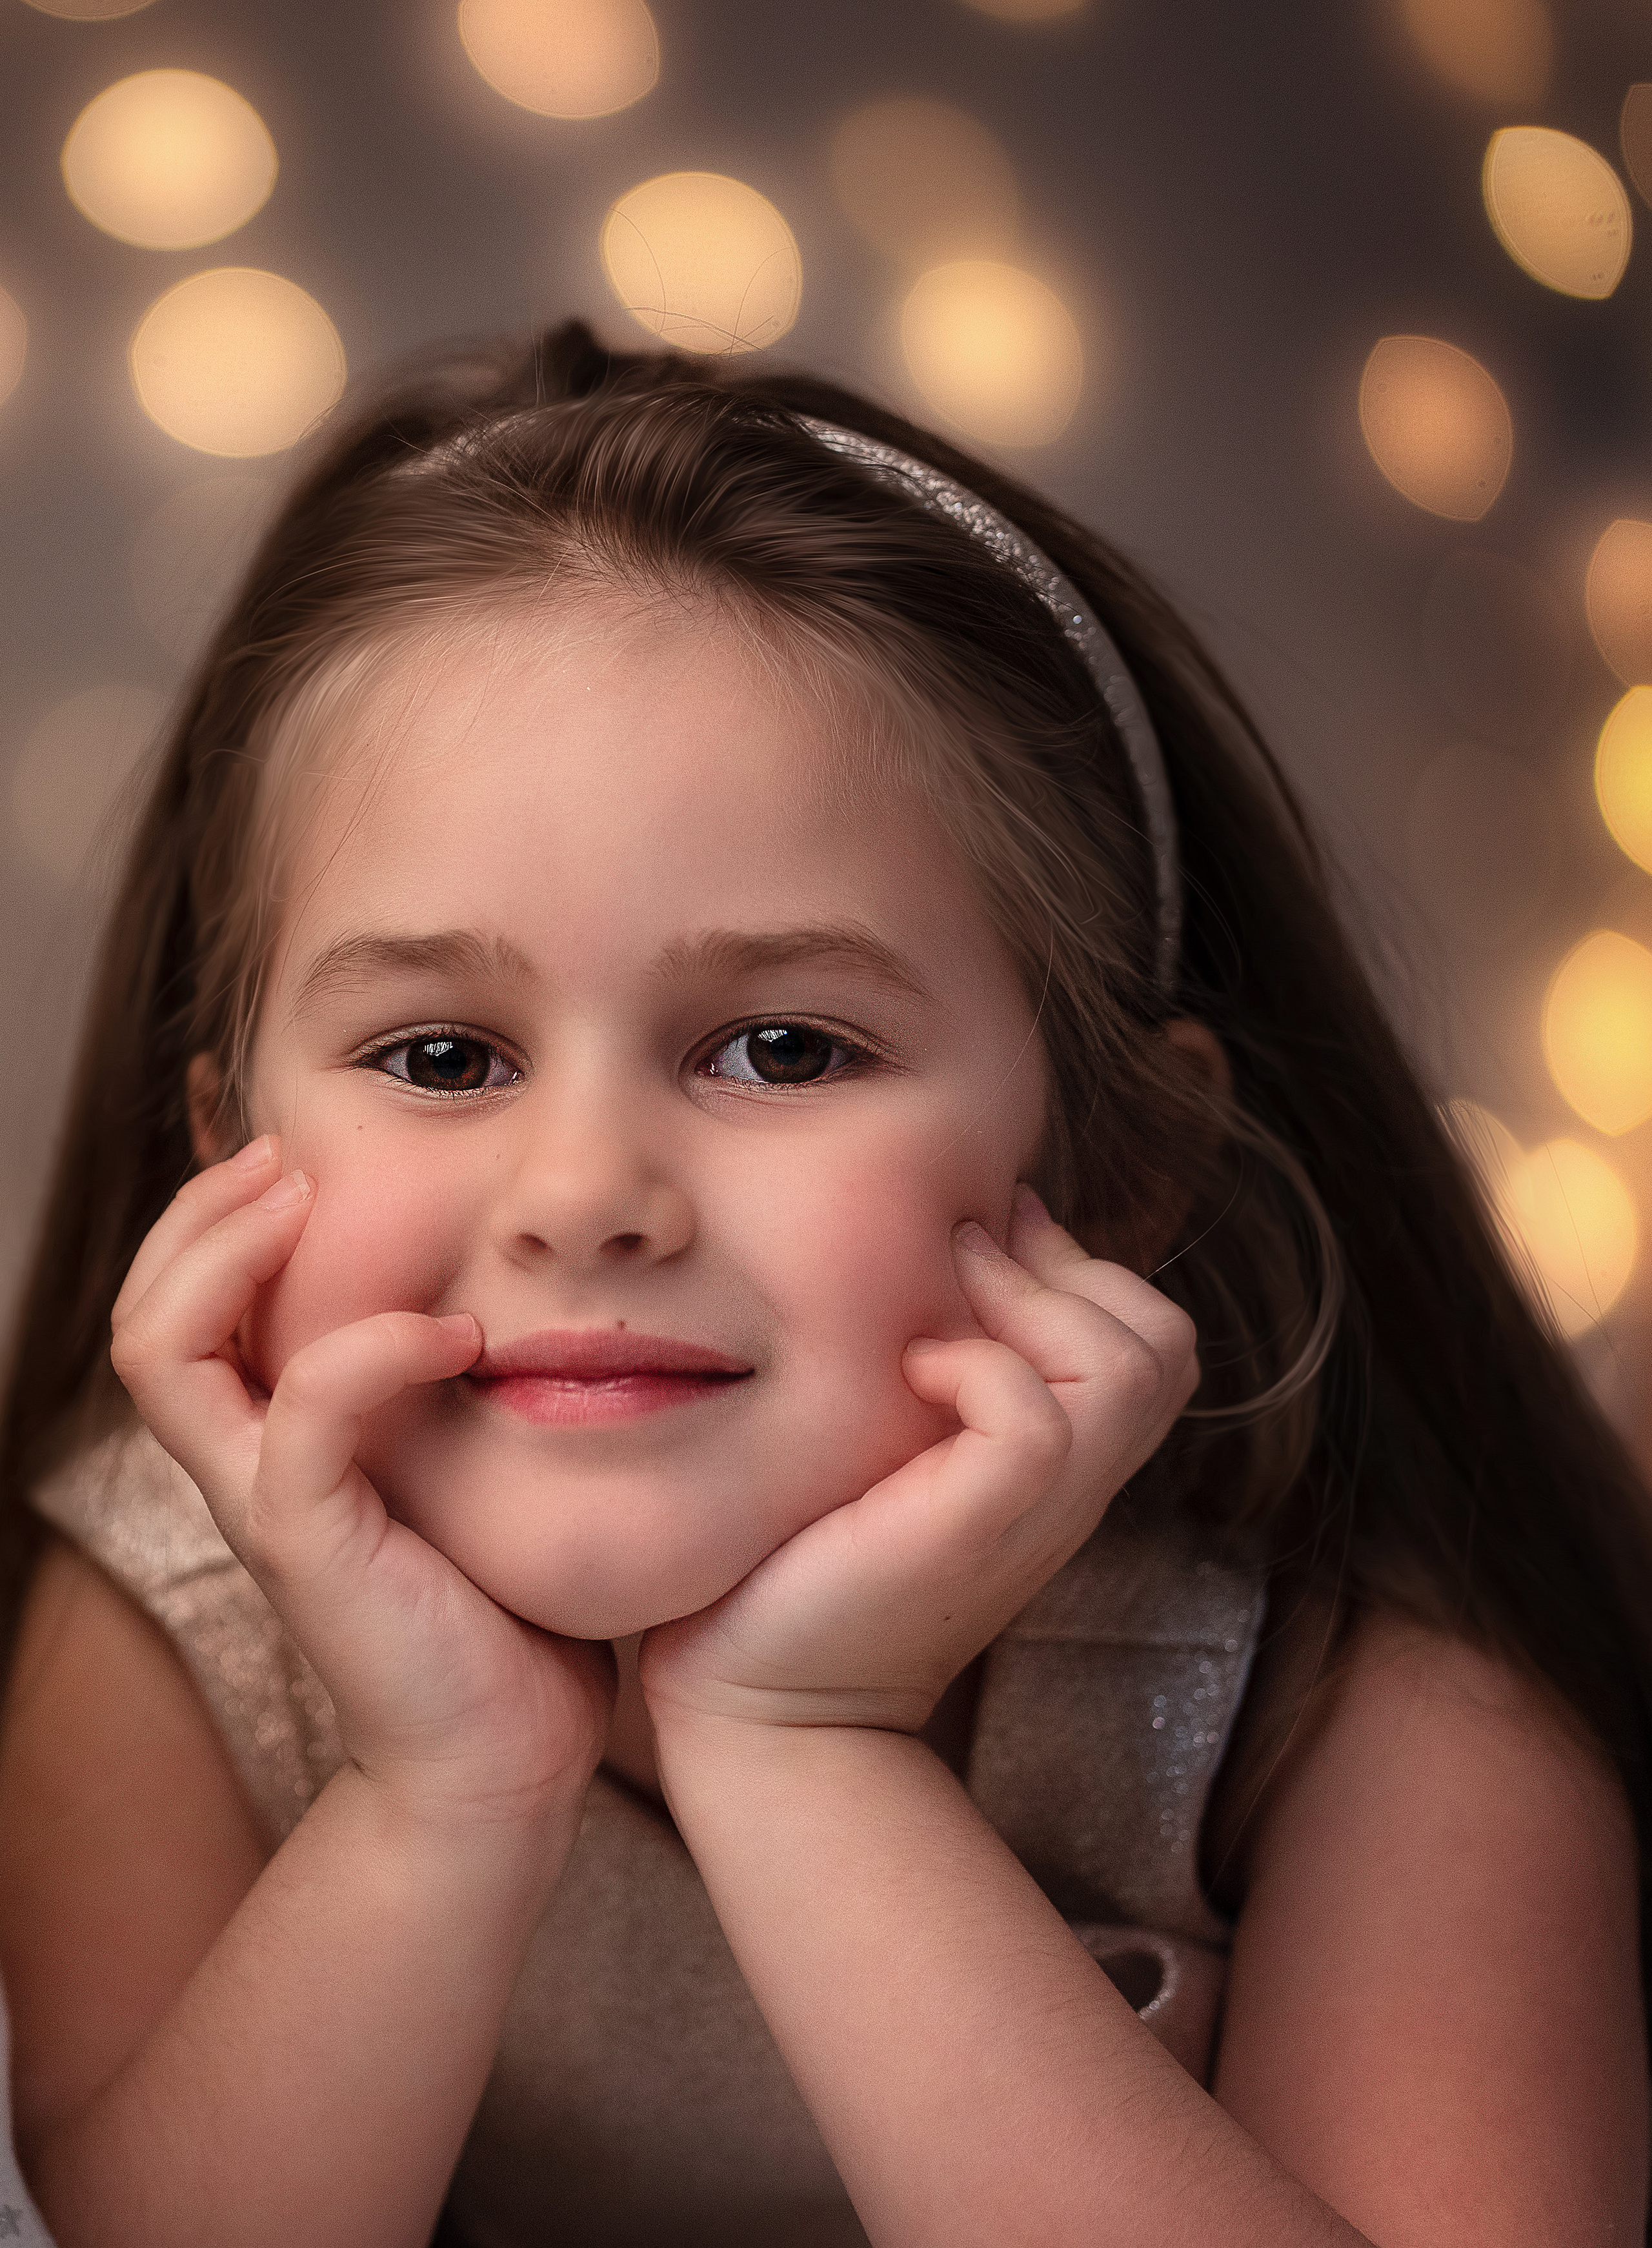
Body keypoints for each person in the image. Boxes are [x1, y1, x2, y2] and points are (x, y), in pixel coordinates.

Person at [0, 320, 1646, 2248]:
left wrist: (806, 1746)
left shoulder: (1358, 1689)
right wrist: (441, 1791)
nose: (590, 1196)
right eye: (443, 1056)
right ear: (227, 1154)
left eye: (783, 1048)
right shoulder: (165, 1620)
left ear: (1118, 1161)